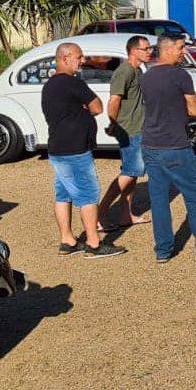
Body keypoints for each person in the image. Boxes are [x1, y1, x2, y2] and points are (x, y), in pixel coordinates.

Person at [141, 34, 196, 262]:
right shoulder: (180, 75)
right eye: (181, 48)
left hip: (151, 144)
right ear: (167, 50)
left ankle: (163, 250)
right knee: (194, 196)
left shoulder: (146, 76)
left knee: (159, 200)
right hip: (176, 145)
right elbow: (194, 110)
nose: (184, 52)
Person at [42, 42, 125, 258]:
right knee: (88, 194)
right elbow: (97, 106)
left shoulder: (50, 85)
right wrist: (86, 108)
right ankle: (94, 243)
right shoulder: (72, 82)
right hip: (75, 149)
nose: (83, 61)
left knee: (64, 194)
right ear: (65, 58)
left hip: (58, 147)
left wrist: (81, 108)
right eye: (79, 57)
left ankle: (67, 240)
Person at [96, 34, 151, 230]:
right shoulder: (124, 71)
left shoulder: (138, 70)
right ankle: (100, 213)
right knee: (129, 172)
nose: (150, 51)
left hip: (138, 128)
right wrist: (113, 124)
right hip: (129, 130)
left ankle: (125, 215)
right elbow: (114, 100)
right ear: (134, 51)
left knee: (133, 173)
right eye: (146, 48)